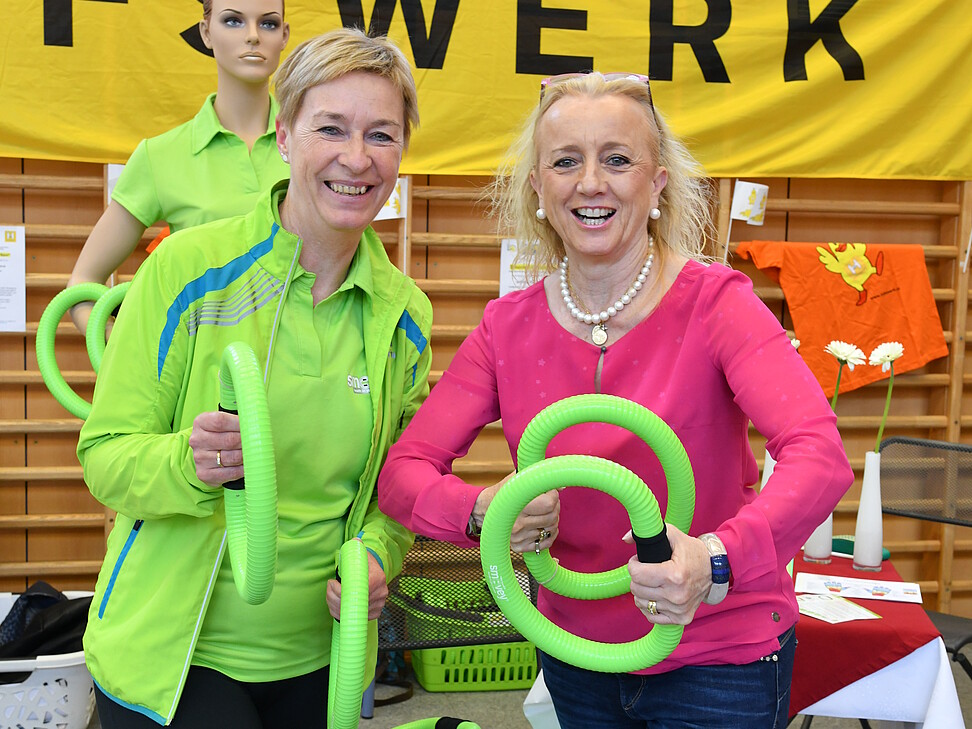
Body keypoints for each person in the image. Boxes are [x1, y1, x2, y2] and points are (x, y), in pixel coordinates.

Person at [377, 71, 853, 728]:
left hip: (718, 653)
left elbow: (819, 457)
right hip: (580, 656)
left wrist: (714, 558)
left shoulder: (718, 305)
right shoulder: (506, 327)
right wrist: (484, 510)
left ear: (656, 184)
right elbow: (403, 474)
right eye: (566, 161)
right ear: (539, 188)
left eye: (617, 159)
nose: (591, 182)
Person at [77, 28, 429, 728]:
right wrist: (188, 459)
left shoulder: (404, 316)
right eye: (331, 128)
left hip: (322, 662)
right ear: (285, 137)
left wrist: (379, 556)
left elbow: (397, 490)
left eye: (381, 135)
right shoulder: (189, 272)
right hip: (177, 663)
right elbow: (105, 456)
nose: (356, 159)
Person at [67, 0, 291, 335]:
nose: (253, 36)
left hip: (304, 377)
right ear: (206, 32)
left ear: (285, 35)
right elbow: (82, 285)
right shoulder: (160, 156)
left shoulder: (315, 149)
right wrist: (134, 359)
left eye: (268, 24)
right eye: (233, 21)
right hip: (198, 379)